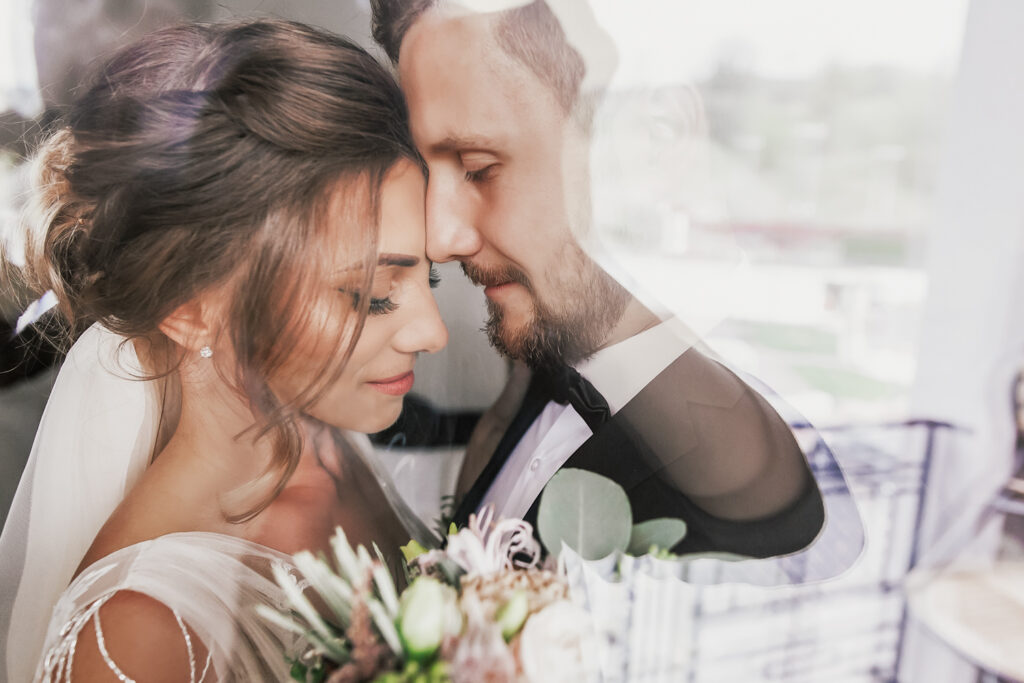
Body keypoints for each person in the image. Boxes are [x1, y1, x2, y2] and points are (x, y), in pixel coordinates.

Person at [0, 19, 447, 682]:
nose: (432, 331)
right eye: (372, 292)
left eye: (426, 279)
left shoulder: (328, 447)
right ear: (190, 310)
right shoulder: (137, 636)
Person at [370, 0, 831, 558]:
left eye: (477, 168)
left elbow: (770, 494)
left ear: (654, 141)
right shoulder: (548, 332)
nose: (438, 240)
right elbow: (498, 436)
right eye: (429, 172)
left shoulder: (729, 448)